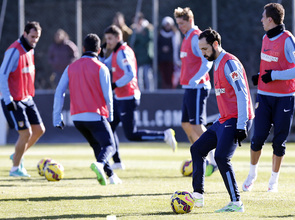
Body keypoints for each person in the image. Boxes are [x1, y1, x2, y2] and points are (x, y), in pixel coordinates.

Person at [191, 28, 254, 212]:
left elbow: (242, 95)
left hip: (236, 120)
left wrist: (241, 126)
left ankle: (236, 203)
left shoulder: (230, 63)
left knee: (221, 157)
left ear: (215, 44)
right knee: (197, 149)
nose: (202, 53)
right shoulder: (215, 63)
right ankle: (198, 197)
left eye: (204, 49)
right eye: (201, 49)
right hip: (225, 119)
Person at [101, 25, 177, 170]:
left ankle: (164, 135)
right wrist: (100, 54)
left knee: (131, 134)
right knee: (109, 128)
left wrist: (114, 84)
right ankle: (117, 162)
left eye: (110, 38)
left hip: (128, 97)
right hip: (120, 97)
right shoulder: (116, 52)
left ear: (118, 37)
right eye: (106, 39)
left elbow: (129, 74)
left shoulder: (123, 52)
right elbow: (104, 65)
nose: (108, 41)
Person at [243, 3, 295, 193]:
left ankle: (273, 182)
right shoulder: (264, 37)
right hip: (264, 96)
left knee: (279, 142)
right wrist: (260, 77)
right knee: (257, 138)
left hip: (284, 98)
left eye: (263, 16)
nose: (261, 20)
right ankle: (252, 175)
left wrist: (274, 76)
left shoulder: (289, 40)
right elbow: (271, 63)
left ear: (271, 19)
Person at [53, 33, 121, 185]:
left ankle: (111, 176)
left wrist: (57, 117)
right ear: (98, 51)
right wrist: (110, 116)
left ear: (83, 48)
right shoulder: (101, 68)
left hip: (77, 118)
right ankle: (100, 164)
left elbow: (59, 92)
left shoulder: (71, 67)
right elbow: (108, 95)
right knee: (110, 146)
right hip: (95, 116)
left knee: (97, 145)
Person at [174, 7, 217, 176]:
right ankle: (200, 156)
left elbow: (208, 61)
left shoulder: (196, 37)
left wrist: (197, 78)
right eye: (178, 23)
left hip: (198, 87)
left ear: (190, 20)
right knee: (186, 124)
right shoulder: (185, 37)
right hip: (189, 88)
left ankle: (213, 161)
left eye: (182, 23)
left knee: (197, 125)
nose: (179, 26)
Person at [0, 21, 45, 177]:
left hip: (27, 98)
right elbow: (2, 75)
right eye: (32, 37)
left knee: (39, 130)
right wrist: (8, 99)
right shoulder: (13, 51)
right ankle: (15, 169)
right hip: (14, 99)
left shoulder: (30, 50)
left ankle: (17, 155)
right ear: (25, 34)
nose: (34, 40)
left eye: (37, 37)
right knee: (25, 134)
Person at [130, 12, 155, 91]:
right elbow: (131, 41)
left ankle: (150, 92)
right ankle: (140, 92)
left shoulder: (147, 29)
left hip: (146, 57)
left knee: (147, 76)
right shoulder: (133, 29)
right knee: (138, 77)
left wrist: (139, 34)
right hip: (137, 57)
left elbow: (146, 40)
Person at [157, 16, 181, 89]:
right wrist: (162, 49)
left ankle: (171, 89)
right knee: (164, 76)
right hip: (163, 59)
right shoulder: (160, 34)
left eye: (169, 24)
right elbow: (158, 45)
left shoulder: (175, 34)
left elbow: (177, 46)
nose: (167, 26)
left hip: (172, 59)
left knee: (171, 76)